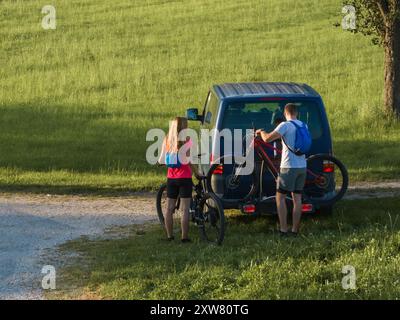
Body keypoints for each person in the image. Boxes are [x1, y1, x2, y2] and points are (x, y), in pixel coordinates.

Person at [256, 103, 307, 237]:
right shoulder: (303, 125)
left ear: (285, 113)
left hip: (289, 167)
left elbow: (267, 139)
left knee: (280, 197)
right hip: (302, 166)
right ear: (296, 113)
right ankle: (295, 230)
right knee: (297, 198)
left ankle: (283, 230)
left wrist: (261, 132)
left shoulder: (285, 125)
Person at [158, 117, 200, 243]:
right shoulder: (187, 139)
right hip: (185, 177)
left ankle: (169, 236)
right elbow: (189, 160)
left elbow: (161, 159)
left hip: (171, 178)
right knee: (185, 209)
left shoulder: (166, 139)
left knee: (169, 208)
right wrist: (197, 172)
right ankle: (184, 237)